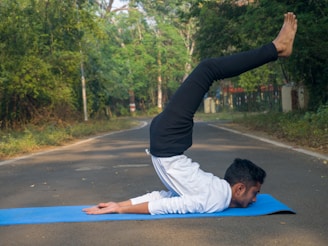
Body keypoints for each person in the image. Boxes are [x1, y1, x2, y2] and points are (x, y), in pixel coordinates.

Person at [83, 12, 298, 215]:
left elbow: (165, 201)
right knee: (207, 69)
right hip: (167, 142)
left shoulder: (214, 199)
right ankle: (277, 48)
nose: (255, 199)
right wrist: (120, 206)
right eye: (255, 193)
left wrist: (120, 206)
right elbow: (165, 200)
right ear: (239, 188)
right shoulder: (216, 195)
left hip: (167, 142)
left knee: (208, 69)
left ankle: (277, 47)